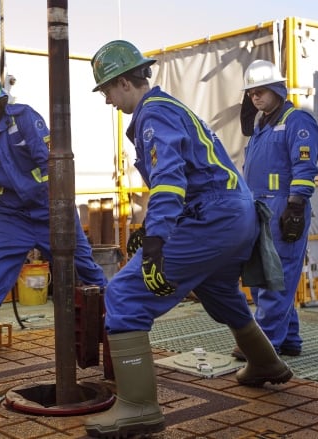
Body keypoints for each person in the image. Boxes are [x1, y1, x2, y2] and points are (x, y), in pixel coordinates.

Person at [83, 40, 293, 438]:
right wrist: (151, 230)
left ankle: (139, 408)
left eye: (107, 89)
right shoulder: (170, 108)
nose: (107, 99)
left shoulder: (153, 114)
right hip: (235, 215)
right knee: (219, 291)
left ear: (126, 81)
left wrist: (156, 242)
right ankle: (265, 363)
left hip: (212, 216)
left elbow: (170, 180)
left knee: (125, 295)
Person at [0, 65, 108, 387]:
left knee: (88, 270)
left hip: (51, 206)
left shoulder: (24, 119)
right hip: (10, 213)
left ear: (0, 99)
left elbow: (50, 161)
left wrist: (58, 204)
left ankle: (119, 340)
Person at [235, 60, 318, 360]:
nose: (255, 98)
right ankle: (290, 340)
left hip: (283, 208)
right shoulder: (262, 125)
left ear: (277, 89)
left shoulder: (297, 121)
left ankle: (265, 344)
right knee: (262, 277)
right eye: (251, 93)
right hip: (260, 209)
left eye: (261, 91)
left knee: (277, 277)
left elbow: (304, 164)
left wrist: (295, 205)